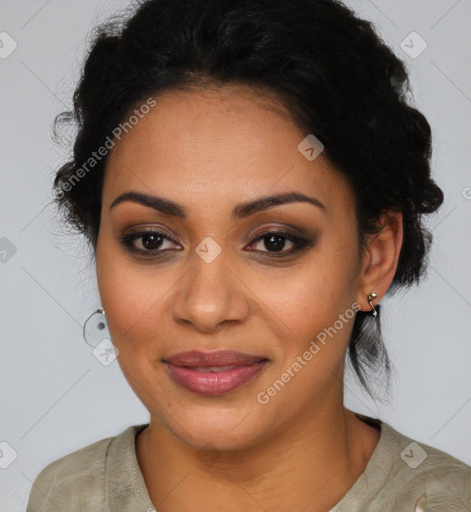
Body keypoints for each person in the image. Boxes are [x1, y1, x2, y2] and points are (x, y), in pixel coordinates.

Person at [26, 0, 470, 510]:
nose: (206, 307)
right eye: (152, 240)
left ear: (374, 257)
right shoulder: (61, 496)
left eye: (274, 241)